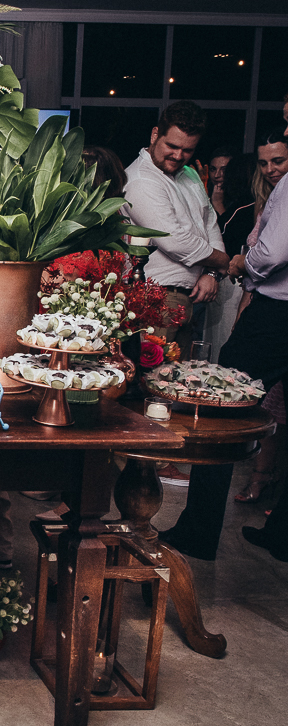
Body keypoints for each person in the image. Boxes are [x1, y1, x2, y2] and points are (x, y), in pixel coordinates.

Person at [226, 124, 288, 562]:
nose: (270, 170)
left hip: (276, 314)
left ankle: (198, 530)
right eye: (264, 162)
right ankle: (282, 535)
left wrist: (241, 264)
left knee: (222, 405)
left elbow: (270, 255)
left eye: (279, 160)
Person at [123, 101, 229, 357]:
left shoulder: (189, 175)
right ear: (155, 134)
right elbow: (175, 241)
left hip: (195, 296)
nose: (179, 156)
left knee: (179, 383)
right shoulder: (139, 179)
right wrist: (224, 260)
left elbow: (209, 222)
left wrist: (214, 273)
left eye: (187, 150)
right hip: (156, 298)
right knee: (152, 381)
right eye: (172, 146)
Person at [201, 153, 257, 365]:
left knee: (219, 339)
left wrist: (214, 201)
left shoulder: (244, 208)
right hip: (241, 284)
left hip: (234, 282)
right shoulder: (253, 206)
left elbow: (221, 236)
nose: (220, 176)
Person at [202, 145, 237, 217]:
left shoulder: (239, 200)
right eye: (213, 169)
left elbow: (228, 227)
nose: (216, 175)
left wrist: (218, 203)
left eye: (224, 170)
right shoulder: (206, 191)